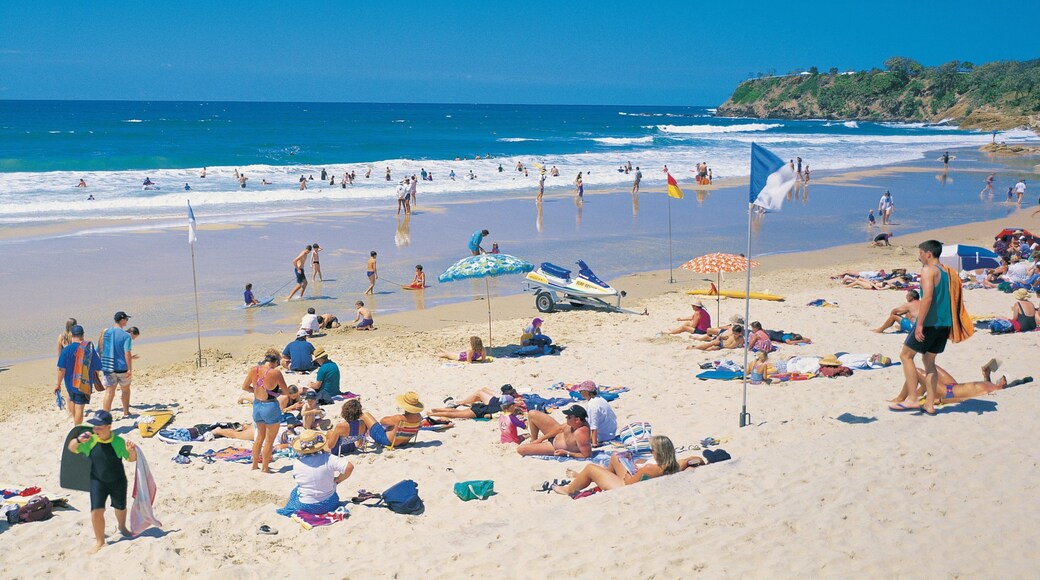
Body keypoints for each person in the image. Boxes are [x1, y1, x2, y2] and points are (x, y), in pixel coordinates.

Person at [889, 240, 957, 415]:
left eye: (920, 253)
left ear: (928, 253)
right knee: (929, 362)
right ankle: (929, 404)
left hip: (929, 322)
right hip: (944, 323)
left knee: (905, 355)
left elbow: (926, 298)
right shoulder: (945, 271)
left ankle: (912, 398)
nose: (919, 257)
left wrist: (919, 324)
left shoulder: (928, 270)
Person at [550, 436, 719, 497]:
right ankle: (586, 478)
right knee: (616, 456)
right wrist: (701, 463)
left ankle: (569, 489)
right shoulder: (677, 464)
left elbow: (629, 484)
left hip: (624, 486)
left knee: (590, 468)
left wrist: (631, 469)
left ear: (656, 452)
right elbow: (695, 459)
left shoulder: (650, 469)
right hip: (640, 478)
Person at [68, 410, 138, 554]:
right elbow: (71, 448)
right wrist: (78, 440)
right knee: (96, 511)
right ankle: (100, 541)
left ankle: (122, 527)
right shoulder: (90, 441)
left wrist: (131, 451)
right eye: (94, 426)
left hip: (117, 480)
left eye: (99, 427)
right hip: (97, 481)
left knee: (120, 507)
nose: (96, 429)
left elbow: (131, 459)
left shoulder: (118, 442)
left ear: (109, 427)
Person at [276, 430, 354, 517]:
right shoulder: (328, 458)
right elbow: (349, 467)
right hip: (330, 503)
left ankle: (286, 505)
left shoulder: (298, 463)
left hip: (306, 506)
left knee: (296, 491)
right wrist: (338, 479)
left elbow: (298, 480)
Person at [904, 360, 1032, 407]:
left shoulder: (988, 391)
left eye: (1002, 377)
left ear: (1004, 383)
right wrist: (987, 375)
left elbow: (965, 399)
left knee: (916, 371)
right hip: (953, 386)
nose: (1000, 378)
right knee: (932, 366)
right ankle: (919, 393)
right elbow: (984, 387)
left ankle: (911, 396)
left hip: (948, 393)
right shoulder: (991, 387)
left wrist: (942, 400)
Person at [243, 352, 288, 472]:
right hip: (270, 406)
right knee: (269, 440)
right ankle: (265, 468)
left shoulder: (254, 370)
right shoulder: (275, 373)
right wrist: (276, 393)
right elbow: (286, 391)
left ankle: (254, 465)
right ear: (276, 362)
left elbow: (245, 387)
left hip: (257, 405)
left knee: (259, 438)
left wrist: (257, 392)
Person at [55, 324, 104, 424]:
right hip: (83, 384)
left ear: (72, 336)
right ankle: (77, 428)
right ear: (83, 335)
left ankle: (76, 422)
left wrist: (58, 384)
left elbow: (61, 369)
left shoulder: (66, 350)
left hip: (69, 384)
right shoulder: (88, 348)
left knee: (72, 401)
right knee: (80, 408)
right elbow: (98, 366)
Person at [516, 405, 592, 458]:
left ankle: (534, 445)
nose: (566, 417)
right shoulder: (573, 424)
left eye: (569, 417)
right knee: (532, 413)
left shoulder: (581, 433)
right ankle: (533, 440)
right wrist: (540, 439)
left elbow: (586, 455)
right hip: (556, 436)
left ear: (577, 420)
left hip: (554, 447)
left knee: (521, 449)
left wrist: (567, 453)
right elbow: (560, 429)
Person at [98, 311, 134, 417]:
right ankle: (126, 412)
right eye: (126, 319)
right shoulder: (126, 336)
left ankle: (105, 416)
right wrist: (130, 369)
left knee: (109, 392)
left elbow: (99, 348)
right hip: (122, 368)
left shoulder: (106, 333)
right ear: (122, 320)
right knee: (126, 390)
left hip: (108, 368)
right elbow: (127, 353)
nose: (127, 321)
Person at [430, 384, 519, 420]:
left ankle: (435, 410)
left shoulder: (500, 408)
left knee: (457, 412)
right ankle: (431, 414)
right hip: (479, 412)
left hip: (479, 407)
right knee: (455, 414)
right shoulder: (503, 412)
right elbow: (487, 415)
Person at [575, 380, 617, 445]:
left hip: (602, 437)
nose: (580, 393)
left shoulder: (592, 404)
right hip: (611, 432)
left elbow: (593, 427)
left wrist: (594, 444)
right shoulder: (600, 399)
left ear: (586, 392)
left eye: (581, 391)